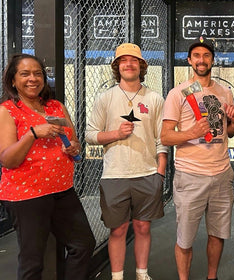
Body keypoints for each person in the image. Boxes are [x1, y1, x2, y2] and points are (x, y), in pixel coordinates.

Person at [0, 53, 95, 280]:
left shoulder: (56, 106)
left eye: (38, 73)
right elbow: (8, 159)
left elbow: (73, 140)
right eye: (25, 74)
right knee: (33, 261)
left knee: (83, 244)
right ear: (12, 80)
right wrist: (32, 133)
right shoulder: (6, 111)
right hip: (27, 195)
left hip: (61, 191)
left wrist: (74, 148)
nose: (33, 79)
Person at [160, 36, 234, 280]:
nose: (201, 60)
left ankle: (212, 276)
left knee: (218, 233)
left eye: (206, 55)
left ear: (213, 60)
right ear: (189, 60)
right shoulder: (177, 94)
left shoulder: (224, 92)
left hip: (221, 174)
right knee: (185, 238)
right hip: (190, 175)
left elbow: (229, 132)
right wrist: (191, 133)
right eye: (196, 55)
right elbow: (165, 137)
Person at [85, 43, 168, 280]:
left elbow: (162, 137)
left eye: (134, 61)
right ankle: (117, 276)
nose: (129, 64)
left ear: (141, 66)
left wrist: (159, 171)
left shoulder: (154, 98)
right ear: (117, 66)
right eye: (123, 61)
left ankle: (142, 274)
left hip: (147, 174)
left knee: (143, 227)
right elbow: (90, 135)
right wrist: (115, 134)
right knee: (118, 229)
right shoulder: (106, 98)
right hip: (114, 175)